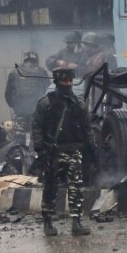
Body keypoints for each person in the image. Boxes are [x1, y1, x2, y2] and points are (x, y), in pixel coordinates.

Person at [31, 67, 98, 236]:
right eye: (64, 81)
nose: (67, 84)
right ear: (57, 81)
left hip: (74, 150)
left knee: (76, 187)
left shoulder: (79, 104)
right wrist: (40, 150)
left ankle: (76, 221)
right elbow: (37, 128)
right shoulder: (46, 103)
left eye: (70, 80)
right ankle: (47, 221)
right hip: (53, 153)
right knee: (51, 187)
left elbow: (87, 129)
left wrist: (93, 151)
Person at [4, 52, 50, 146]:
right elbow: (48, 90)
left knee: (19, 136)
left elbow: (8, 93)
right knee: (36, 134)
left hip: (20, 110)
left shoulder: (14, 72)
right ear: (36, 60)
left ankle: (19, 155)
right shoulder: (42, 71)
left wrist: (14, 105)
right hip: (37, 110)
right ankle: (35, 155)